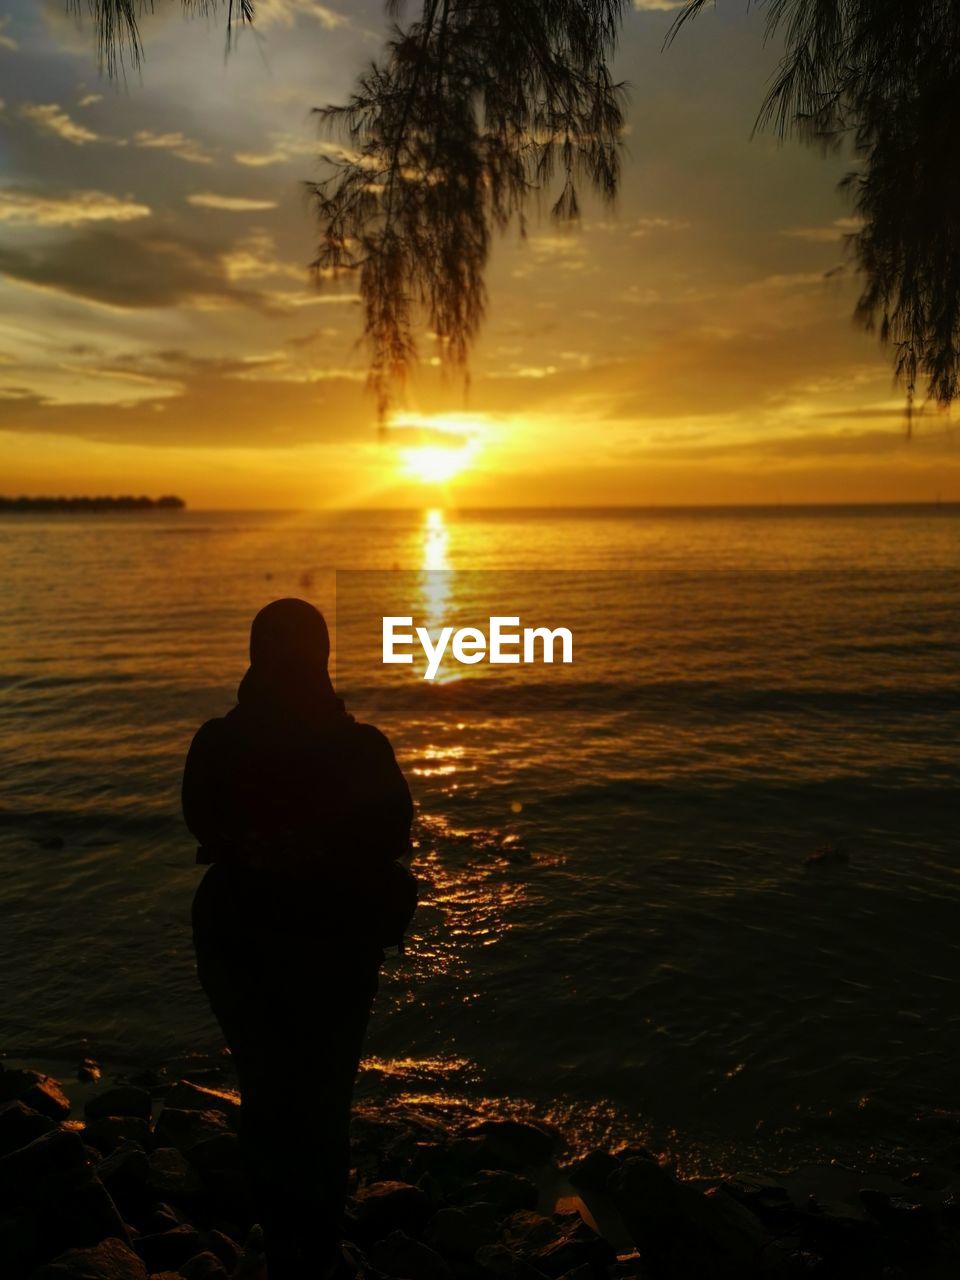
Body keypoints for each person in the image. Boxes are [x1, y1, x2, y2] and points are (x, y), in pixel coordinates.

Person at [182, 598, 416, 1280]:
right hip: (333, 945)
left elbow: (204, 824)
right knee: (322, 1095)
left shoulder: (218, 741)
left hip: (238, 938)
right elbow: (393, 833)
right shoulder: (361, 746)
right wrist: (321, 851)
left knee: (268, 1087)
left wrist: (273, 848)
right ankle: (311, 1244)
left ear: (255, 656)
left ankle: (286, 1237)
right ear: (322, 658)